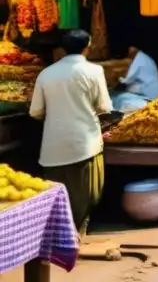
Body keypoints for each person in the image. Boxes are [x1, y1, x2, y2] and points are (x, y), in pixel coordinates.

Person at [29, 30, 113, 234]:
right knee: (86, 196)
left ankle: (59, 238)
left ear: (62, 49)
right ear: (87, 46)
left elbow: (36, 111)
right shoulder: (94, 71)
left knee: (56, 197)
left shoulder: (46, 74)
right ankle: (77, 236)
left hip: (52, 148)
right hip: (84, 145)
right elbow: (104, 107)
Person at [111, 46, 158, 113]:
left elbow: (126, 79)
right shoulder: (143, 57)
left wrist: (114, 77)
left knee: (118, 97)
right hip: (149, 95)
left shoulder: (139, 59)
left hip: (147, 97)